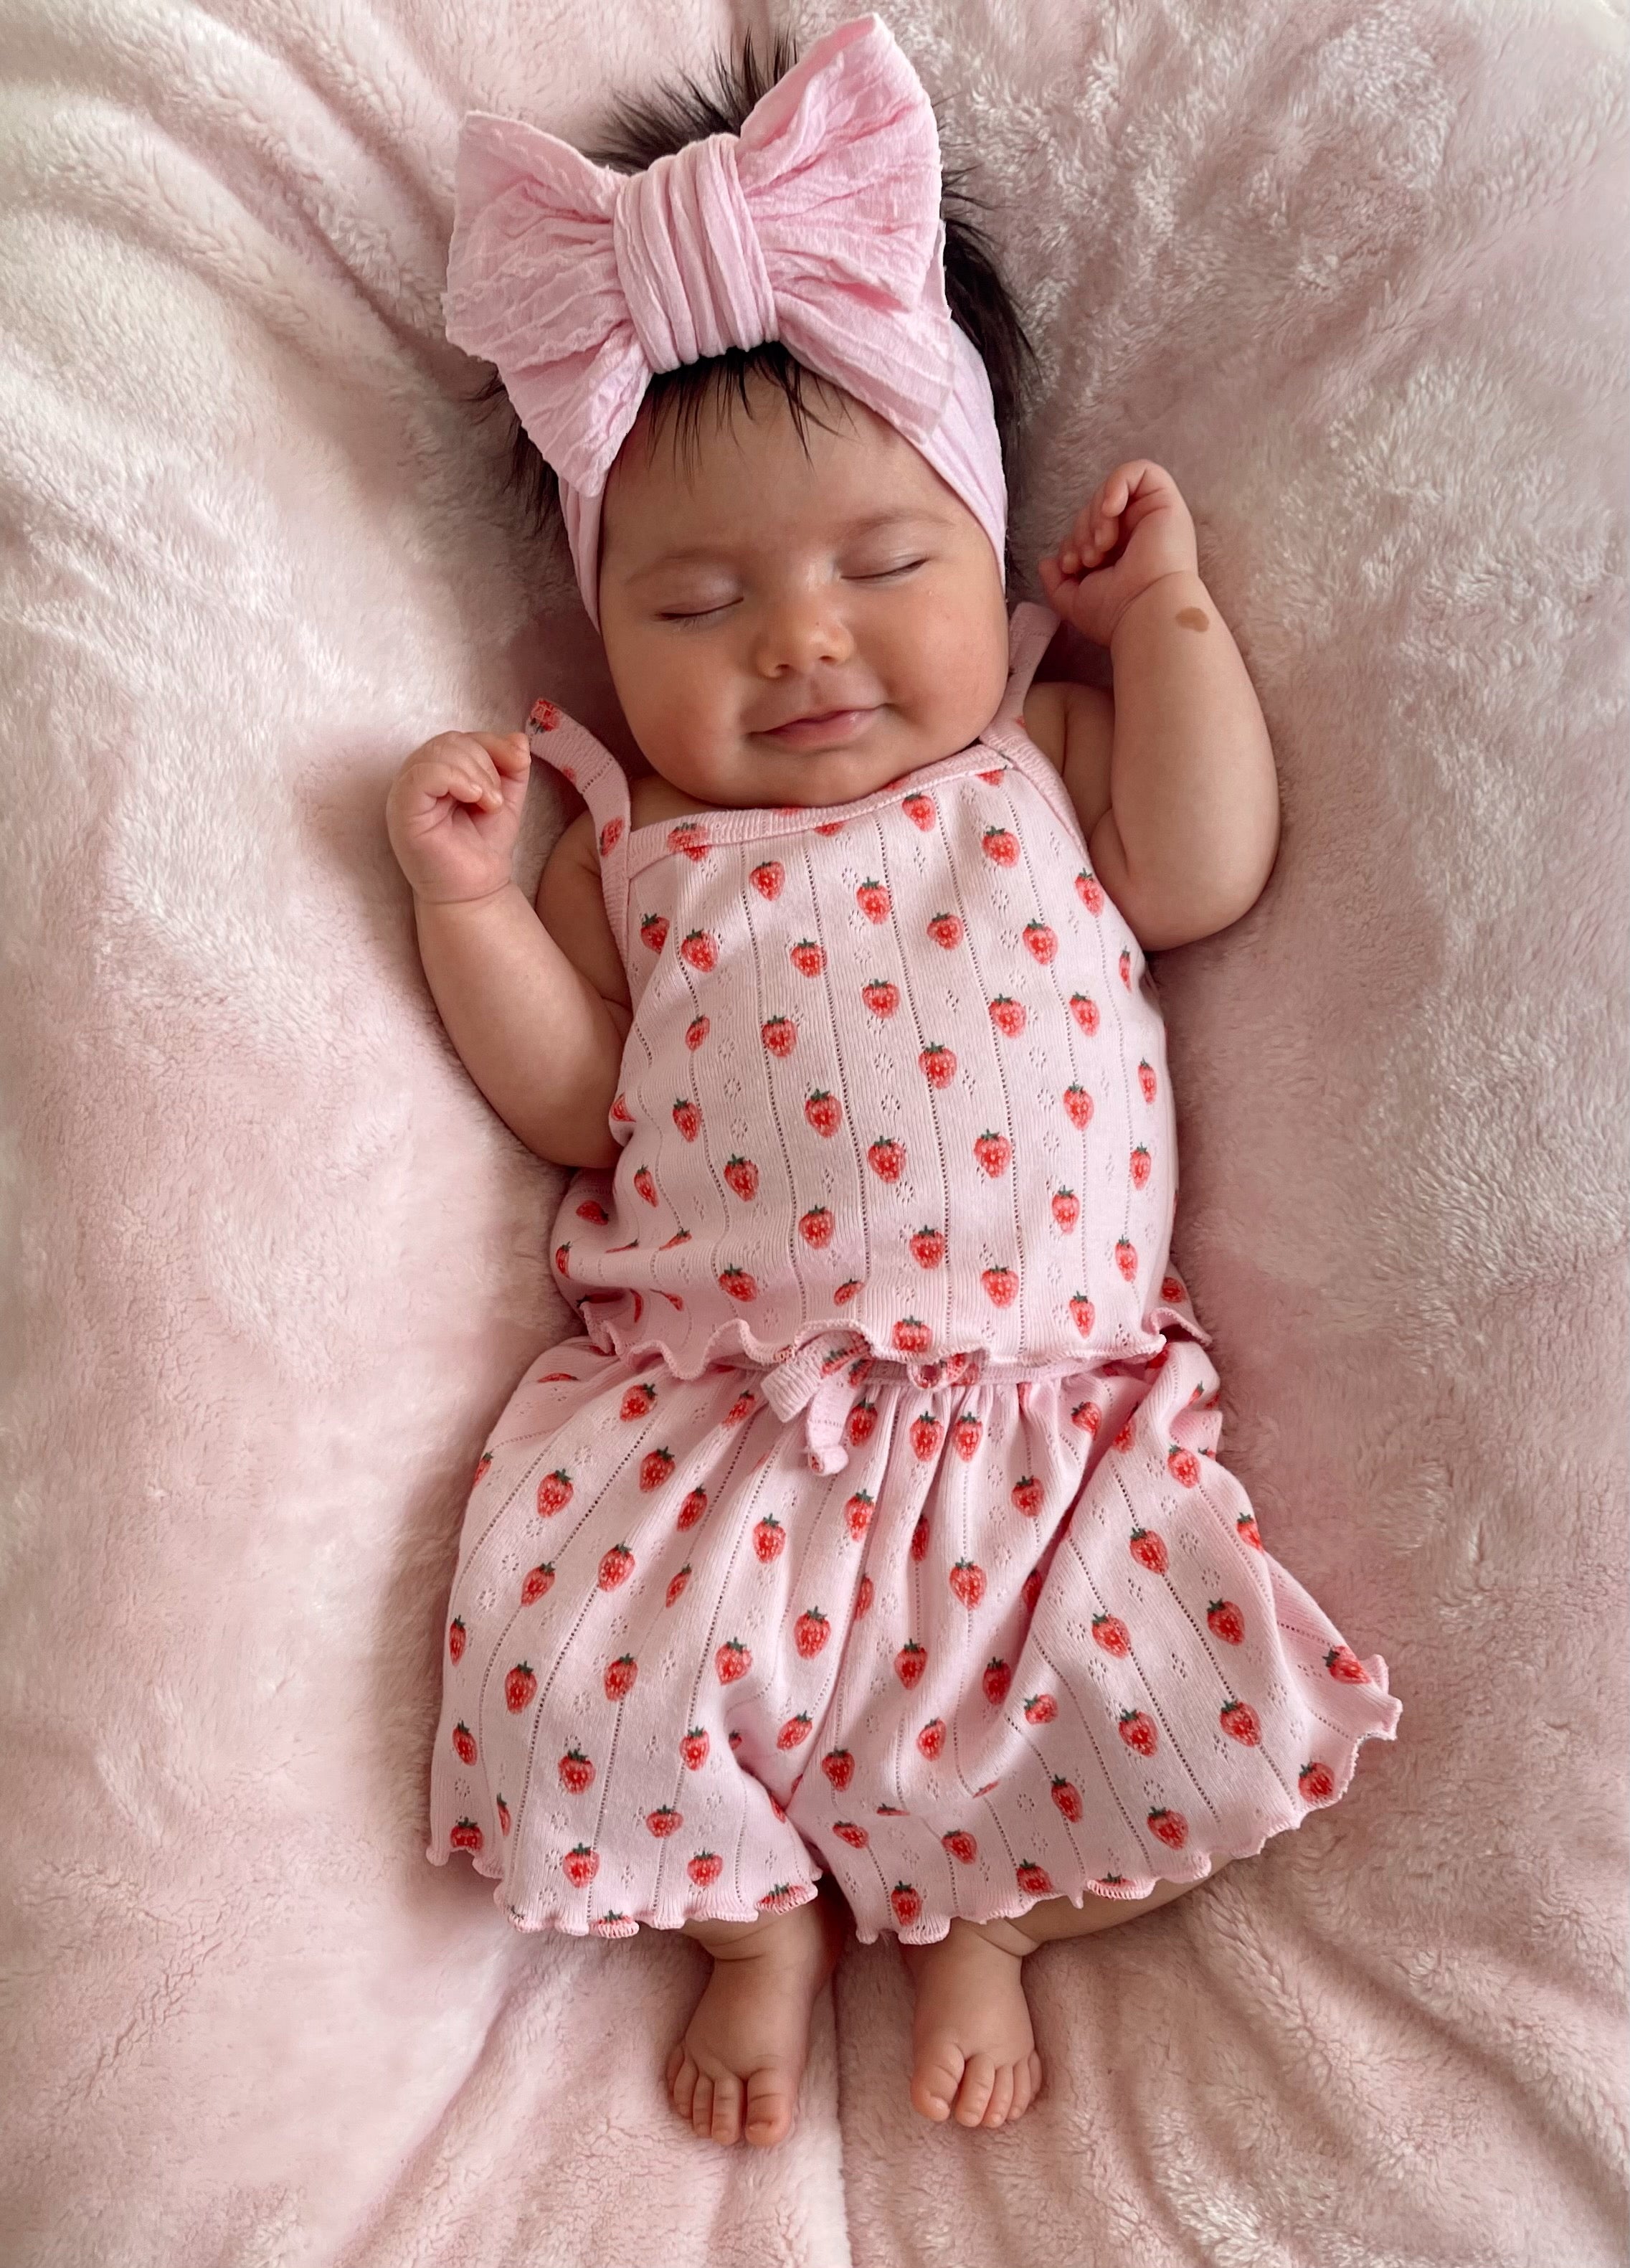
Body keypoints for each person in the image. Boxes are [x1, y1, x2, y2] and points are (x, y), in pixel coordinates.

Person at [387, 12, 1401, 2148]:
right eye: (699, 601)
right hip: (719, 1406)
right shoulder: (644, 853)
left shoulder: (1033, 766)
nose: (805, 646)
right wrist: (481, 908)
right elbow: (579, 1102)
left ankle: (986, 1914)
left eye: (881, 565)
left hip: (1036, 1399)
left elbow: (1199, 871)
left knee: (1077, 1655)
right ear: (603, 635)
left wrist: (1176, 625)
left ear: (988, 550)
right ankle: (750, 1917)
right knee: (602, 1650)